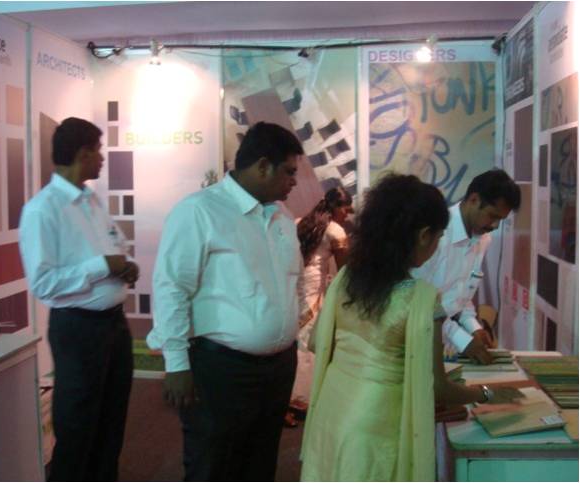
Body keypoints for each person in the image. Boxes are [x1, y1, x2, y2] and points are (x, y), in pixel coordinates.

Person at [300, 173, 522, 481]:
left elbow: (317, 342)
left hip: (332, 410)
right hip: (377, 424)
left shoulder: (346, 279)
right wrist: (486, 394)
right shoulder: (420, 299)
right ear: (424, 236)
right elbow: (437, 387)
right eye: (438, 237)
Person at [147, 122, 305, 481]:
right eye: (289, 172)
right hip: (220, 369)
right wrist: (176, 364)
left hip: (278, 368)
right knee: (214, 464)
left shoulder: (281, 217)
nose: (294, 181)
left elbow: (292, 282)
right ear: (262, 166)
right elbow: (172, 289)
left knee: (260, 463)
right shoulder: (200, 211)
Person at [19, 117, 139, 481]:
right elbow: (44, 284)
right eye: (98, 151)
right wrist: (102, 266)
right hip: (77, 329)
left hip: (114, 325)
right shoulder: (42, 209)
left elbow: (114, 245)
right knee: (77, 428)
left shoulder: (91, 200)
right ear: (83, 153)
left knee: (111, 423)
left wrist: (124, 265)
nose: (102, 159)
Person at [412, 169, 521, 364]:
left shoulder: (483, 239)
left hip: (444, 343)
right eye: (492, 216)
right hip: (416, 339)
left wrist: (474, 327)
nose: (495, 226)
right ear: (474, 200)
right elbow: (417, 303)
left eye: (501, 220)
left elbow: (461, 295)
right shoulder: (438, 234)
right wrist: (462, 339)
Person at [286, 186, 353, 427]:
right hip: (313, 293)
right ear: (336, 206)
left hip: (294, 287)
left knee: (297, 340)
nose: (347, 214)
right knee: (309, 341)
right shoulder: (335, 230)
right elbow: (345, 271)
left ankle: (288, 399)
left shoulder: (300, 223)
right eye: (346, 209)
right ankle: (301, 398)